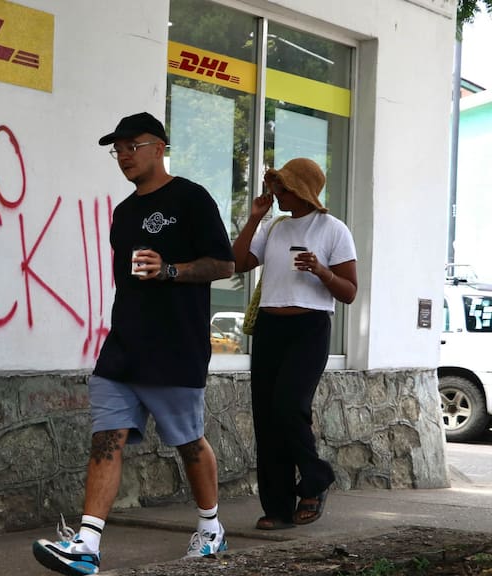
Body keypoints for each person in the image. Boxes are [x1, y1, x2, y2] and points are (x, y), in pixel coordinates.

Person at [32, 112, 235, 575]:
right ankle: (86, 544)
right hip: (123, 345)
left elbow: (224, 265)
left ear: (160, 147)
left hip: (175, 346)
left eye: (132, 146)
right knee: (106, 437)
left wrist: (170, 270)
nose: (123, 156)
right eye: (117, 149)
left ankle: (210, 528)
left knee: (188, 442)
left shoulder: (191, 197)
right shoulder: (123, 213)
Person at [231, 157, 358, 531]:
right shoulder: (273, 227)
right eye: (275, 186)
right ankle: (277, 507)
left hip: (309, 328)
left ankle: (316, 480)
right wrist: (255, 217)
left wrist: (321, 271)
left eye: (281, 187)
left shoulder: (333, 230)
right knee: (266, 418)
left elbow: (349, 292)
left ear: (300, 190)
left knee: (289, 406)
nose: (275, 193)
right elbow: (239, 262)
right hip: (271, 328)